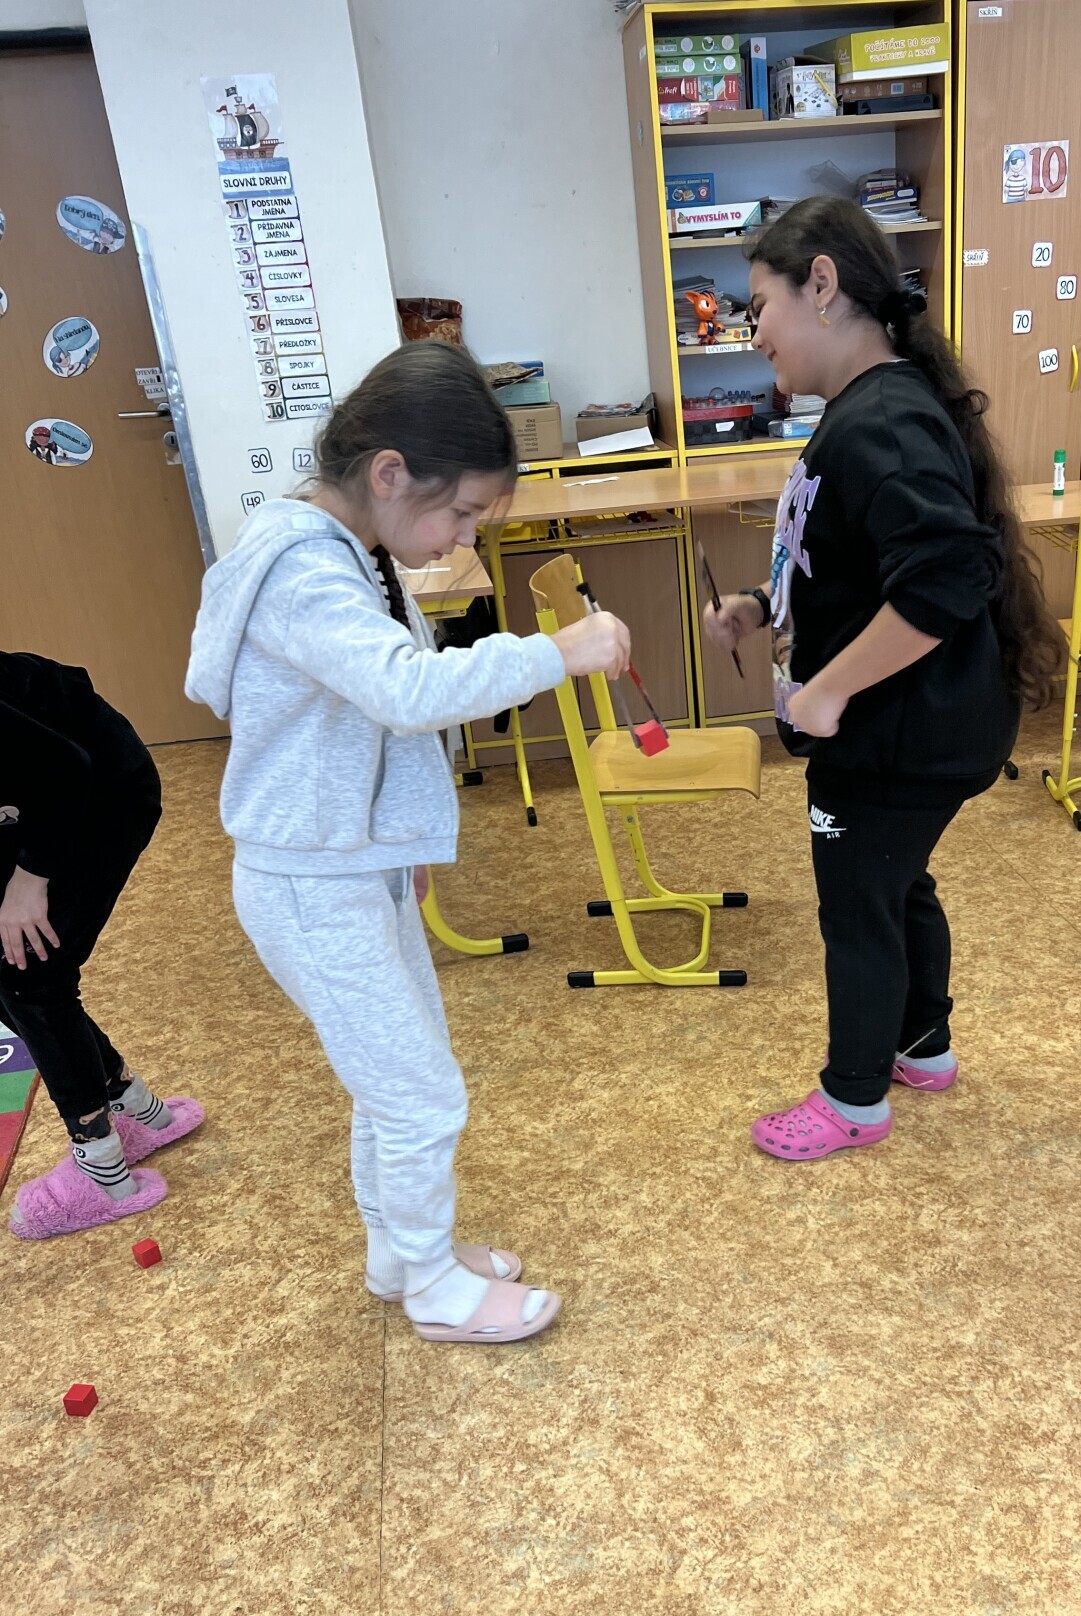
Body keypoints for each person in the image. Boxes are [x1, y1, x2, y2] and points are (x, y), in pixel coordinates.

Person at [186, 341, 630, 1343]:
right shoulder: (304, 569)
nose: (463, 536)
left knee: (393, 1077)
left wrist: (403, 837)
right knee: (419, 1094)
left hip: (354, 863)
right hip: (313, 883)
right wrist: (555, 651)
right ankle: (433, 1287)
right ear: (389, 473)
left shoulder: (349, 550)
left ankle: (400, 1253)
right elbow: (406, 692)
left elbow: (373, 720)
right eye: (461, 512)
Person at [703, 196, 1063, 1162]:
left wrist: (827, 690)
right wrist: (762, 603)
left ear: (821, 285)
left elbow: (946, 577)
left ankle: (854, 1098)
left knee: (859, 903)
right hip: (922, 725)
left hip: (895, 732)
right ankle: (922, 1047)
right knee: (899, 883)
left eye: (760, 306)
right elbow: (859, 564)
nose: (755, 334)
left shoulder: (883, 421)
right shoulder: (869, 411)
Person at [3, 652, 202, 1239]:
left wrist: (31, 879)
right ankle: (133, 1108)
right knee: (7, 968)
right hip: (27, 792)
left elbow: (62, 767)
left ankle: (103, 1171)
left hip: (98, 786)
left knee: (31, 974)